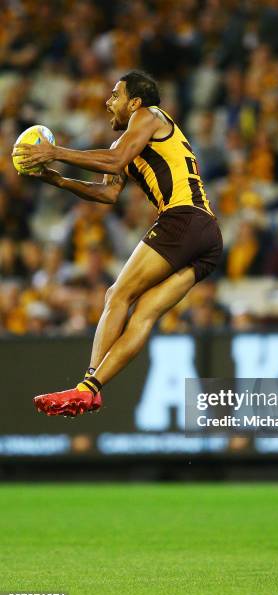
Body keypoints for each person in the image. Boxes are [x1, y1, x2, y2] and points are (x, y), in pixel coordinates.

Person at [13, 69, 223, 417]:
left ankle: (87, 382)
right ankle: (91, 391)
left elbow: (116, 161)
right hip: (208, 237)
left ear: (135, 102)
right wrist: (56, 179)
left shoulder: (148, 116)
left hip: (183, 219)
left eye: (115, 95)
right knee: (143, 313)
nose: (108, 102)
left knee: (117, 294)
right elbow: (109, 192)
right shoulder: (126, 141)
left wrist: (55, 151)